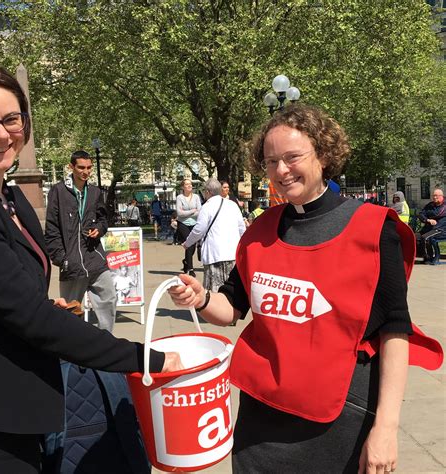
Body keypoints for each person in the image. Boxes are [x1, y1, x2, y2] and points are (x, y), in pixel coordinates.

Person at [168, 104, 441, 473]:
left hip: (339, 421)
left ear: (324, 155)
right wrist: (200, 299)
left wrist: (386, 428)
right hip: (260, 422)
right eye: (270, 161)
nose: (281, 170)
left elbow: (395, 330)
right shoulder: (259, 231)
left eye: (292, 157)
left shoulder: (376, 230)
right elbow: (231, 308)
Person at [0, 59, 182, 473]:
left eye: (11, 118)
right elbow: (29, 318)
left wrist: (52, 308)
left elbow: (19, 298)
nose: (1, 134)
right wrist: (143, 358)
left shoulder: (12, 200)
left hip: (26, 406)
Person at [45, 150, 117, 333]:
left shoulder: (94, 192)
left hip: (95, 258)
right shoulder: (58, 191)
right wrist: (61, 258)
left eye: (89, 168)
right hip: (72, 263)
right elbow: (51, 228)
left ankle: (105, 345)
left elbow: (103, 219)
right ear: (71, 167)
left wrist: (99, 229)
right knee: (71, 310)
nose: (86, 171)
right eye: (81, 167)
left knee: (109, 299)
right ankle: (71, 354)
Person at [181, 178, 245, 291]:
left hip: (215, 254)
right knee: (231, 289)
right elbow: (241, 228)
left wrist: (187, 243)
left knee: (215, 290)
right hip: (232, 253)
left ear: (208, 192)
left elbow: (198, 230)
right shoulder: (233, 205)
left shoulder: (206, 207)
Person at [176, 178, 201, 276]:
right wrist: (192, 211)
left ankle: (186, 262)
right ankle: (191, 269)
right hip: (183, 224)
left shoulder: (196, 197)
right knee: (189, 244)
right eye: (187, 184)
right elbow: (179, 213)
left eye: (190, 184)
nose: (189, 186)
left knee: (193, 246)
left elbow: (200, 211)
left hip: (194, 223)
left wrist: (186, 213)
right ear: (183, 187)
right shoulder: (180, 197)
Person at [418, 188, 446, 265]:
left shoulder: (444, 206)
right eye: (433, 196)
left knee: (425, 237)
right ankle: (425, 256)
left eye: (436, 196)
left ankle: (429, 258)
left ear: (441, 196)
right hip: (430, 229)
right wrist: (428, 220)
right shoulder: (430, 205)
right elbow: (421, 214)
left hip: (441, 230)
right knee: (416, 237)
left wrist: (431, 219)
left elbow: (437, 215)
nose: (434, 197)